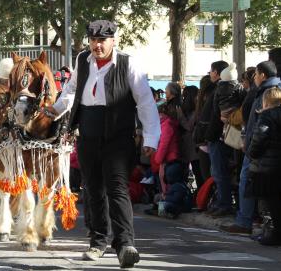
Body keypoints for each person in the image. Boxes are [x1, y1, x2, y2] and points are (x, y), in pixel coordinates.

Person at [44, 20, 160, 267]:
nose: (97, 45)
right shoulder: (83, 61)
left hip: (118, 135)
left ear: (113, 41)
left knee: (117, 188)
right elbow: (71, 90)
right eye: (93, 40)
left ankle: (125, 243)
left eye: (102, 41)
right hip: (88, 133)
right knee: (93, 189)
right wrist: (54, 110)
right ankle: (98, 242)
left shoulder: (129, 64)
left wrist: (150, 137)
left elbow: (145, 102)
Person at [221, 61, 281, 234]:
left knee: (256, 186)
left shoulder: (267, 93)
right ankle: (274, 228)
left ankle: (248, 222)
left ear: (263, 75)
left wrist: (250, 146)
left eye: (256, 75)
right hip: (274, 152)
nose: (255, 78)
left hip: (262, 151)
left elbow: (261, 125)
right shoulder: (278, 89)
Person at [246, 86, 281, 246]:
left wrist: (251, 153)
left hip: (268, 166)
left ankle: (276, 233)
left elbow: (259, 139)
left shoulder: (266, 116)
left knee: (272, 201)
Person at [204, 60, 235, 218]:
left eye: (211, 70)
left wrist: (208, 134)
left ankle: (224, 204)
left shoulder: (223, 88)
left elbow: (219, 116)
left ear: (217, 72)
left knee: (219, 171)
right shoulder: (221, 88)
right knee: (217, 171)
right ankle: (221, 202)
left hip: (218, 136)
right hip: (217, 135)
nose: (210, 73)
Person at [178, 85, 203, 188]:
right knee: (195, 172)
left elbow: (189, 126)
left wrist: (180, 116)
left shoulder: (195, 111)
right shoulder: (189, 110)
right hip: (190, 146)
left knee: (197, 172)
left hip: (192, 146)